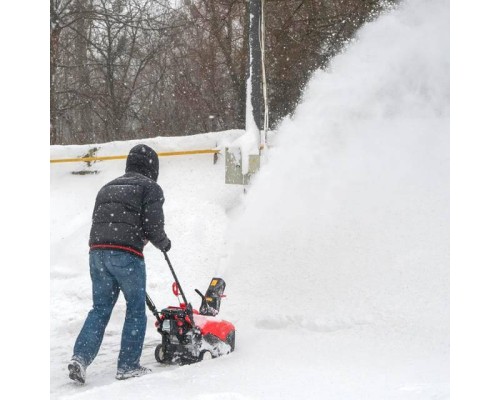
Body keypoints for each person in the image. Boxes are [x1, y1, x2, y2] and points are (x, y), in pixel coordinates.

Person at [68, 144, 171, 384]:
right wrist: (163, 243)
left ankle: (80, 358)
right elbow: (152, 226)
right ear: (152, 167)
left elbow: (98, 219)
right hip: (126, 254)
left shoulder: (106, 187)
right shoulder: (151, 188)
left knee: (100, 309)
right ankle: (128, 365)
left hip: (97, 253)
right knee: (135, 309)